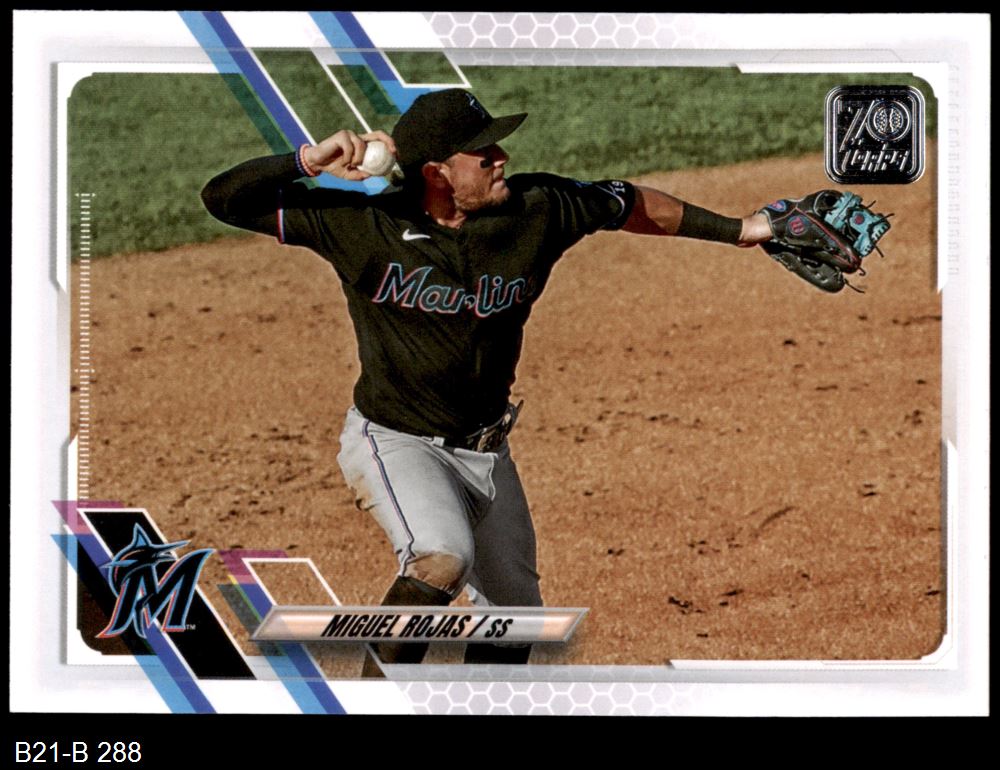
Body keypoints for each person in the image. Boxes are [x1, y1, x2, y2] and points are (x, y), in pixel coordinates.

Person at [201, 89, 773, 677]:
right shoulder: (364, 225)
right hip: (397, 441)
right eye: (483, 154)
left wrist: (741, 230)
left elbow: (627, 203)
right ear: (438, 173)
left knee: (515, 618)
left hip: (488, 450)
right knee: (440, 559)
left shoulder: (537, 209)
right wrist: (306, 161)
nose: (502, 158)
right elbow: (222, 199)